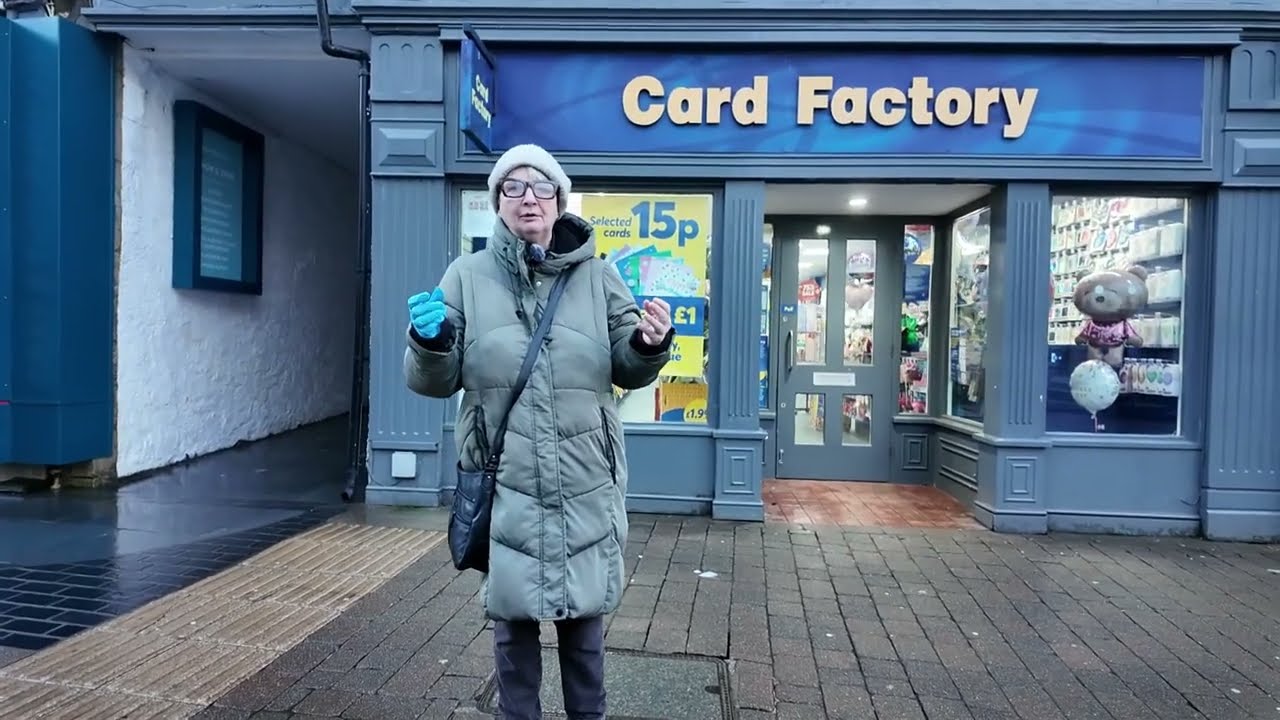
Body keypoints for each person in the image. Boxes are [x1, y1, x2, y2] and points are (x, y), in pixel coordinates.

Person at [402, 143, 673, 720]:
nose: (528, 198)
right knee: (513, 631)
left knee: (585, 632)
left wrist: (650, 344)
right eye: (514, 187)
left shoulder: (599, 278)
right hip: (508, 479)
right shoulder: (466, 277)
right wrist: (430, 343)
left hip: (585, 476)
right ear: (499, 202)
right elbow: (434, 380)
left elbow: (627, 361)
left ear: (559, 200)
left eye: (541, 187)